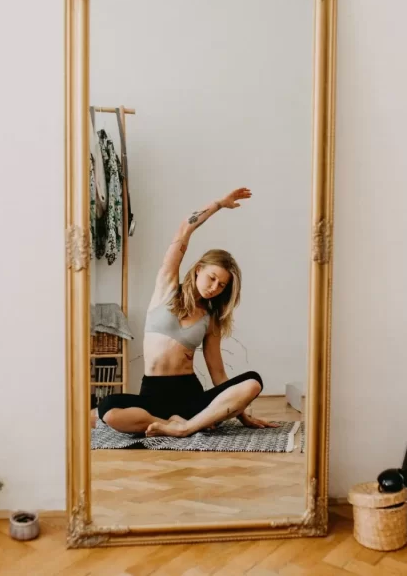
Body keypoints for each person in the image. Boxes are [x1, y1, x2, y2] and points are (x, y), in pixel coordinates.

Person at [95, 187, 278, 438]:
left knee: (253, 381)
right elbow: (185, 229)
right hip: (153, 394)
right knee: (109, 410)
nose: (214, 288)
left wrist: (240, 413)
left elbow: (218, 373)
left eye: (222, 285)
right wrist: (218, 204)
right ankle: (170, 422)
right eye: (212, 278)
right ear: (198, 269)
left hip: (190, 397)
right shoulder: (166, 288)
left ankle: (186, 427)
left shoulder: (210, 317)